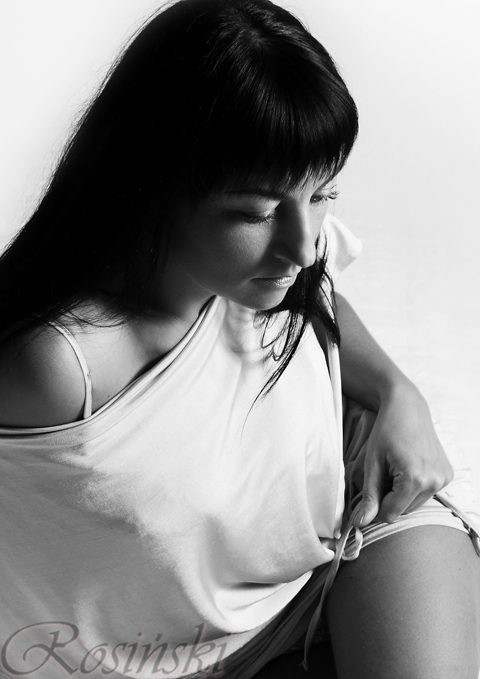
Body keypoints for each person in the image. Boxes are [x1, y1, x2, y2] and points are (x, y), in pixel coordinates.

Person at [0, 0, 479, 677]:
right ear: (152, 186)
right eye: (255, 213)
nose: (302, 245)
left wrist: (400, 395)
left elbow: (323, 298)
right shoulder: (60, 363)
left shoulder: (275, 264)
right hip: (143, 652)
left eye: (323, 195)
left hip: (349, 540)